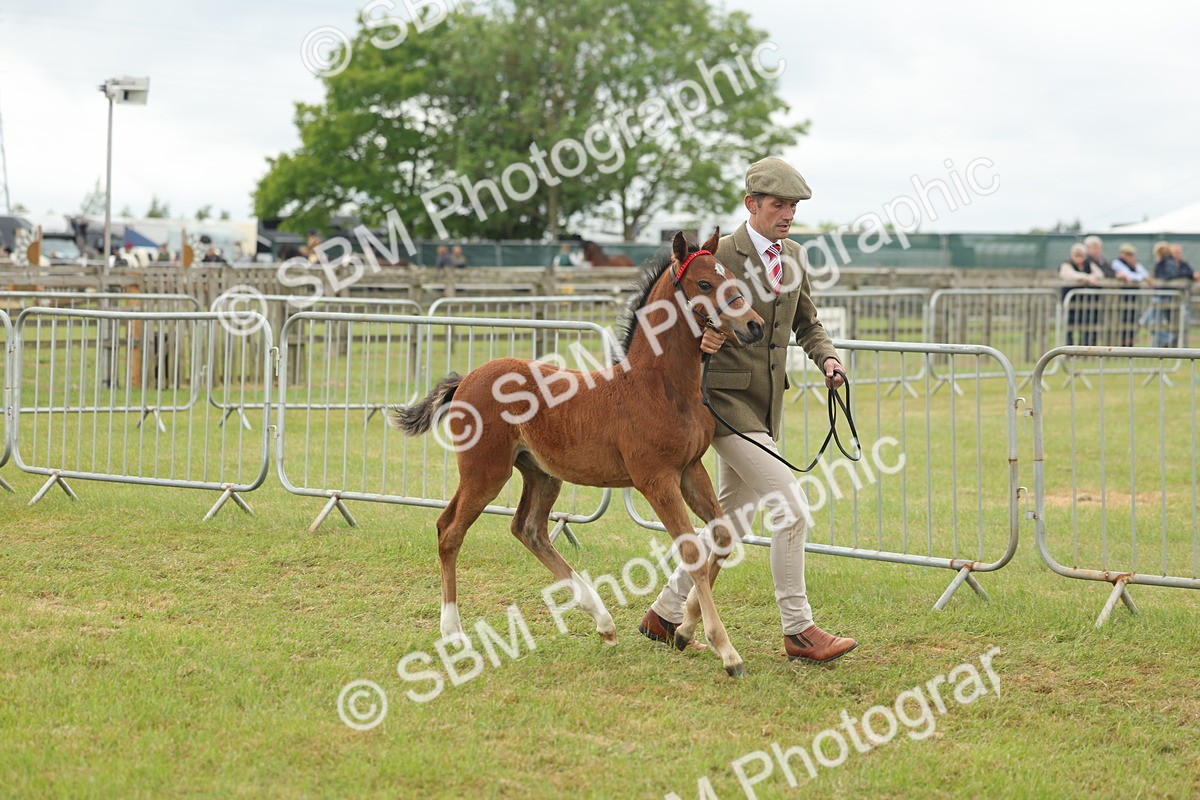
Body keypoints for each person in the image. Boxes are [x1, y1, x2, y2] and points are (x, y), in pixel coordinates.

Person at [639, 156, 858, 665]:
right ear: (751, 204)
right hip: (722, 403)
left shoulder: (796, 256)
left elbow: (808, 322)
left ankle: (665, 615)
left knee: (730, 520)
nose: (788, 214)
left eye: (794, 206)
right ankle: (798, 629)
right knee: (792, 509)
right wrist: (705, 335)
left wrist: (827, 358)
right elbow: (674, 320)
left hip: (766, 404)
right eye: (779, 205)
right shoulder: (720, 256)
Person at [1060, 243, 1104, 345]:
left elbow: (1099, 274)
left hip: (1087, 303)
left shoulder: (1089, 264)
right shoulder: (1066, 264)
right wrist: (1088, 278)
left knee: (1088, 326)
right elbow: (1070, 275)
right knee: (1069, 327)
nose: (1079, 258)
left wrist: (1087, 278)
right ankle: (1069, 351)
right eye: (1076, 255)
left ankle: (1086, 351)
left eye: (1081, 255)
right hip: (1071, 303)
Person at [1111, 244, 1154, 347]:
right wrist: (1141, 277)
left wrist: (1141, 276)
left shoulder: (1135, 264)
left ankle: (1130, 344)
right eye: (1127, 254)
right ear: (1122, 254)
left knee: (1133, 320)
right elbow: (1132, 276)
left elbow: (1144, 274)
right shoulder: (1117, 263)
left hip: (1133, 297)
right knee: (1123, 320)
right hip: (1121, 298)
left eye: (1131, 254)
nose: (1130, 257)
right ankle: (1122, 345)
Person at [1150, 241, 1191, 347]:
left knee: (1154, 322)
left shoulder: (1169, 263)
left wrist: (1159, 280)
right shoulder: (1164, 262)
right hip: (1162, 297)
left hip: (1167, 298)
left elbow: (1170, 274)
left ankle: (1168, 341)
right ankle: (1166, 341)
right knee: (1153, 323)